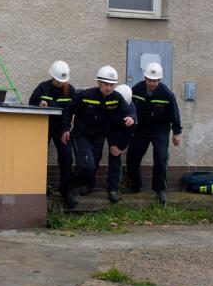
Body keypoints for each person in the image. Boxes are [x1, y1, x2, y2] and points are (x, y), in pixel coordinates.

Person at [61, 65, 134, 209]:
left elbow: (128, 112)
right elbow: (68, 109)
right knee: (86, 165)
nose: (109, 88)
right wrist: (66, 129)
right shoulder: (86, 95)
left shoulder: (116, 98)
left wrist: (131, 117)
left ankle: (69, 186)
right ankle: (70, 188)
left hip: (98, 138)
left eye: (112, 85)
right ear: (99, 82)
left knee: (92, 167)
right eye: (106, 84)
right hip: (81, 135)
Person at [125, 62, 182, 206]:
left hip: (160, 129)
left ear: (160, 80)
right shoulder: (136, 90)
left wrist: (176, 133)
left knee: (161, 157)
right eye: (149, 80)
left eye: (155, 81)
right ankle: (135, 185)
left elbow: (174, 114)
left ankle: (160, 190)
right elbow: (128, 106)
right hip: (141, 128)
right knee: (132, 156)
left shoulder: (167, 93)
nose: (152, 83)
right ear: (145, 78)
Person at [29, 60, 76, 201]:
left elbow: (72, 110)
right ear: (52, 77)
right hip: (44, 126)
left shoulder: (70, 91)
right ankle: (37, 188)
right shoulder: (43, 88)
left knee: (66, 156)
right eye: (58, 80)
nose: (60, 83)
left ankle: (65, 190)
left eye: (63, 81)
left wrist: (67, 129)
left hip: (62, 128)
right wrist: (40, 105)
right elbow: (31, 104)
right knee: (38, 155)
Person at [104, 84, 137, 203]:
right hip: (101, 126)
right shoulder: (108, 98)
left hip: (117, 131)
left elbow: (129, 131)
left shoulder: (130, 110)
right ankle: (87, 184)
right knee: (93, 156)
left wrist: (120, 146)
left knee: (115, 156)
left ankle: (113, 189)